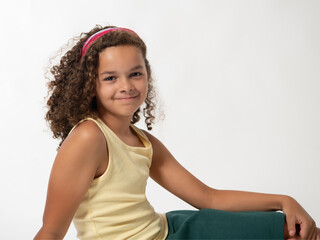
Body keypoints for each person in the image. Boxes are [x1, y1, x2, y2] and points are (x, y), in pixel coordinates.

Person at [34, 25, 319, 240]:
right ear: (89, 85)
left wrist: (285, 201)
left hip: (172, 229)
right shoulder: (89, 137)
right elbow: (51, 231)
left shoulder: (143, 142)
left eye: (135, 73)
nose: (127, 86)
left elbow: (207, 197)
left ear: (147, 74)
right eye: (110, 78)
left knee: (296, 230)